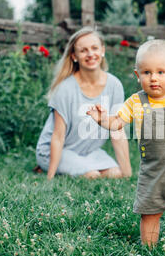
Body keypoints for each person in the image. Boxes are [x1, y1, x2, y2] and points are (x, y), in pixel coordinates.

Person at [87, 39, 165, 247]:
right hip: (153, 170)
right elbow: (117, 122)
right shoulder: (136, 101)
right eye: (147, 73)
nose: (154, 78)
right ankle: (150, 251)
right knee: (150, 216)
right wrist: (103, 120)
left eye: (161, 72)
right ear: (138, 76)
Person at [36, 27, 132, 180]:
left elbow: (117, 131)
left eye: (94, 48)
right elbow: (58, 137)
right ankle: (46, 166)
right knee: (92, 175)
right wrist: (50, 176)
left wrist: (128, 175)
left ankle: (83, 166)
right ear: (74, 56)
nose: (90, 54)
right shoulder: (65, 89)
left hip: (89, 153)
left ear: (102, 50)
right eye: (83, 50)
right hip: (55, 151)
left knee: (116, 174)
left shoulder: (114, 85)